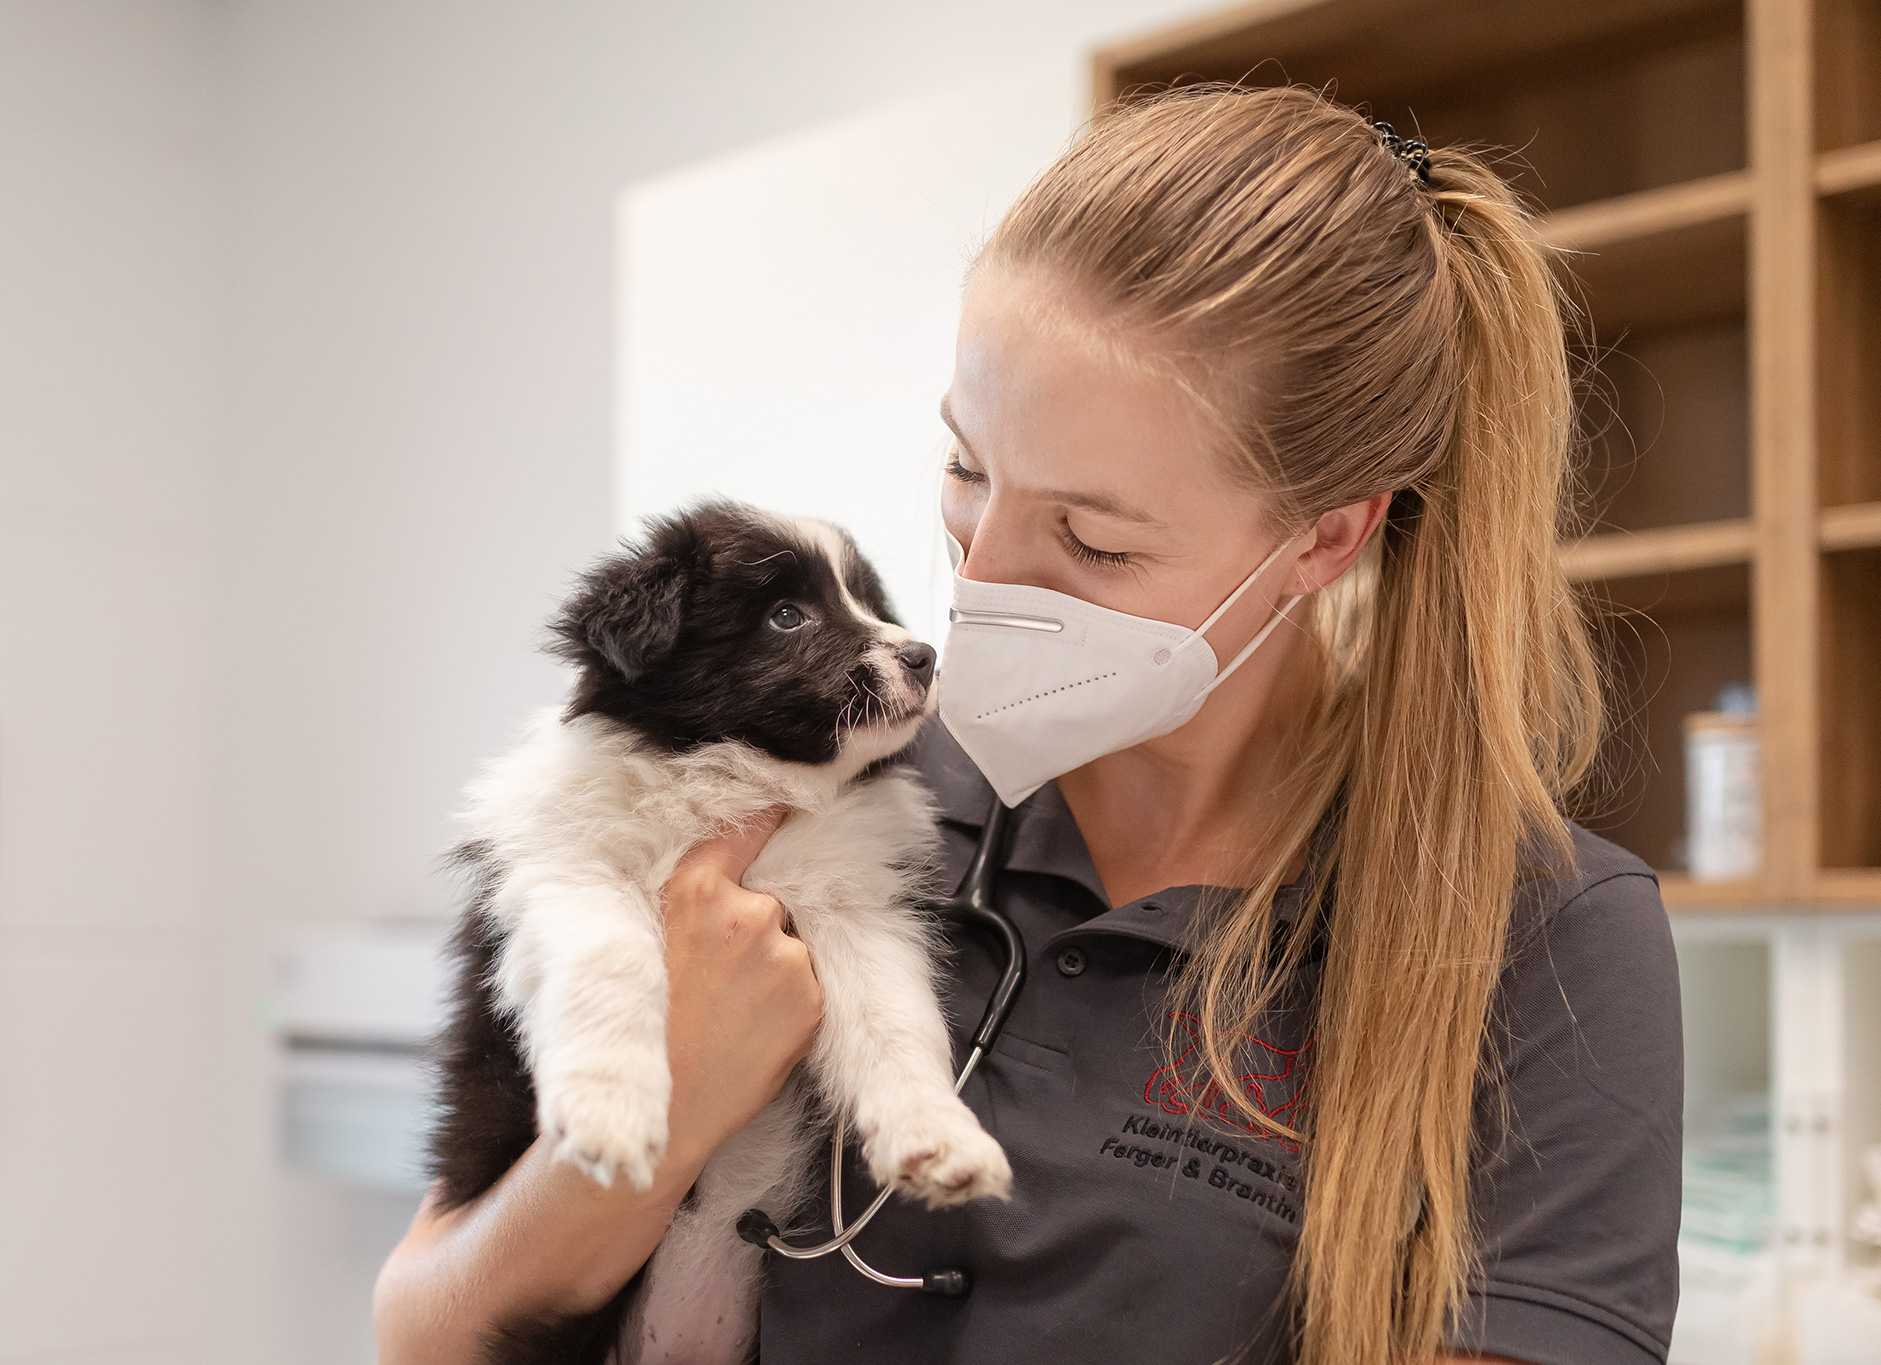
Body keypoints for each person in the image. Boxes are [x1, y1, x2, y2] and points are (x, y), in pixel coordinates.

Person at [374, 82, 1682, 1365]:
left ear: (1322, 537)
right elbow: (426, 1333)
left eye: (1090, 536)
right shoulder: (823, 792)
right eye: (966, 468)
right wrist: (662, 1108)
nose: (979, 577)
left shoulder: (1551, 943)